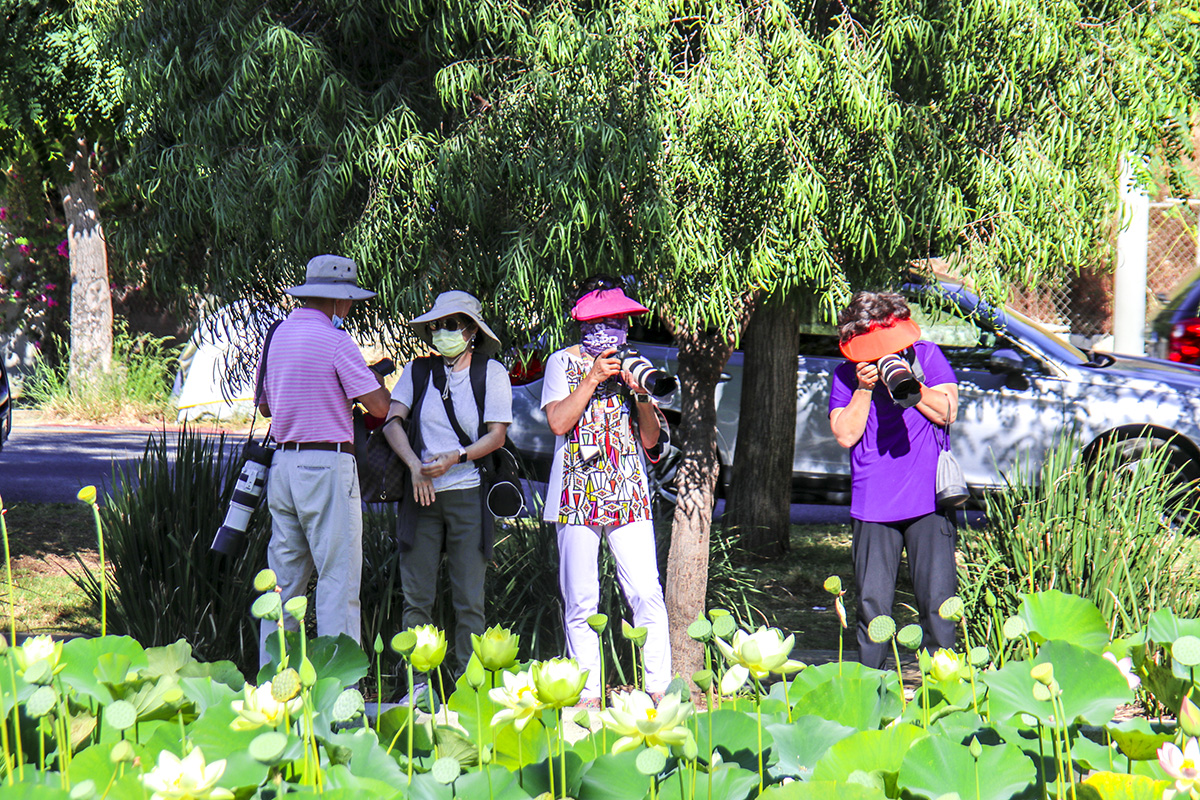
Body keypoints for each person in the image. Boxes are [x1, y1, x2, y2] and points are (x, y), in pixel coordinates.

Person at [541, 275, 671, 707]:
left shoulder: (637, 365)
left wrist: (642, 396)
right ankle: (587, 697)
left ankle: (659, 689)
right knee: (581, 598)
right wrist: (594, 378)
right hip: (576, 494)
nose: (608, 330)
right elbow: (559, 422)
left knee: (646, 592)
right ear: (581, 325)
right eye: (599, 322)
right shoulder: (562, 363)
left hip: (628, 490)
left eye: (617, 321)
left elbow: (651, 440)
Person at [256, 255, 391, 666]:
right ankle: (339, 687)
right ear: (340, 301)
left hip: (283, 465)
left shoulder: (278, 335)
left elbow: (265, 408)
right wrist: (374, 381)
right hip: (327, 466)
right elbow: (380, 408)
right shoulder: (336, 341)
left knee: (284, 582)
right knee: (337, 578)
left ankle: (273, 680)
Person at [828, 290, 960, 670]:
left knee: (938, 604)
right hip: (873, 504)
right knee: (873, 608)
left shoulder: (927, 356)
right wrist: (865, 389)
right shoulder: (845, 375)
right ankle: (871, 689)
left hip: (929, 501)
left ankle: (944, 687)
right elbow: (845, 435)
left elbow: (948, 411)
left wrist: (909, 386)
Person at [383, 291, 512, 679]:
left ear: (472, 330)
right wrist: (415, 466)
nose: (442, 332)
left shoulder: (491, 373)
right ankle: (416, 684)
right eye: (436, 326)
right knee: (416, 598)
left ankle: (468, 687)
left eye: (451, 325)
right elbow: (392, 421)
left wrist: (456, 457)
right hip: (421, 495)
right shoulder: (418, 371)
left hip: (468, 493)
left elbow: (497, 436)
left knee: (469, 600)